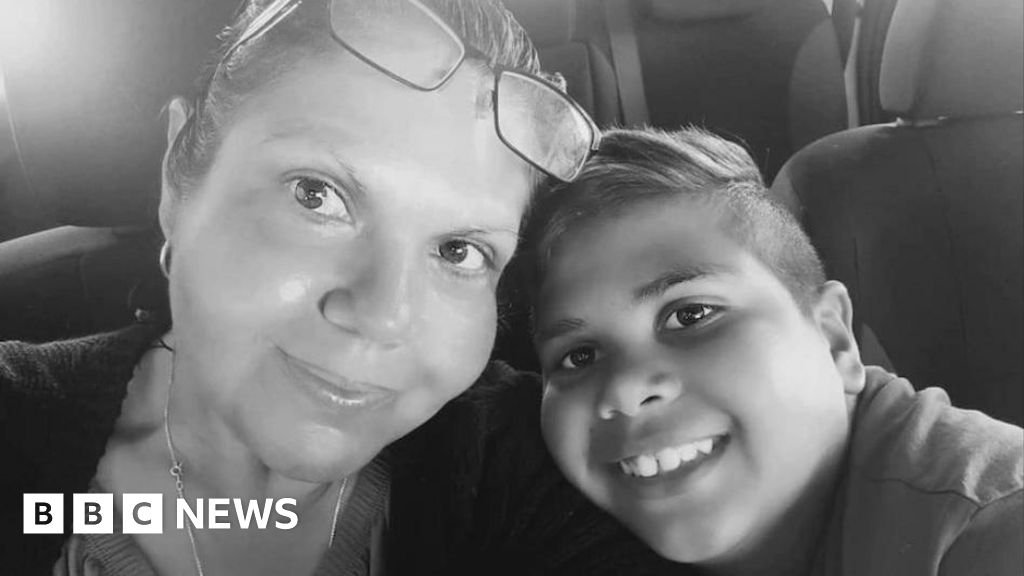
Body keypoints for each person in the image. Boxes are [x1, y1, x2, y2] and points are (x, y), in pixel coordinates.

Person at [0, 1, 673, 574]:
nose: (384, 315)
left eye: (459, 251)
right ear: (179, 175)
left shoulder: (530, 465)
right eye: (316, 196)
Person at [522, 127, 1024, 575]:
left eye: (691, 315)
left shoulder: (988, 530)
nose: (624, 389)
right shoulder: (550, 526)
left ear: (834, 337)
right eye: (580, 356)